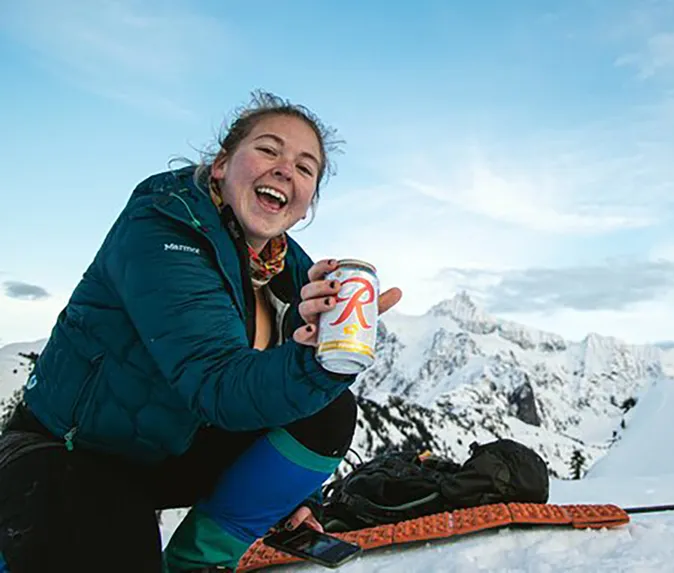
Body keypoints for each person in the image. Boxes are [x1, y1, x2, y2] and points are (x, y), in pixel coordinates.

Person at [0, 90, 402, 572]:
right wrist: (317, 363)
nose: (284, 170)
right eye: (268, 150)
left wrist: (298, 495)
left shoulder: (290, 267)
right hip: (75, 453)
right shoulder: (162, 228)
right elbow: (217, 384)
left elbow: (288, 402)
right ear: (221, 165)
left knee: (331, 410)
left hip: (169, 448)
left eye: (305, 167)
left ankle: (199, 562)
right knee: (109, 544)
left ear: (306, 201)